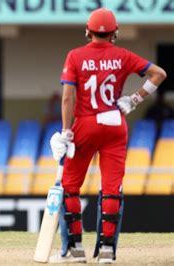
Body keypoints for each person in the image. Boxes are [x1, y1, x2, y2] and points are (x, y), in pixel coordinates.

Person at [49, 8, 166, 263]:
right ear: (114, 33)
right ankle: (107, 250)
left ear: (88, 31)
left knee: (70, 186)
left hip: (85, 123)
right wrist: (135, 99)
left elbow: (68, 97)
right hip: (115, 123)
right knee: (111, 188)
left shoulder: (76, 55)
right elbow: (159, 74)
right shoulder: (122, 55)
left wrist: (66, 130)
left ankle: (75, 249)